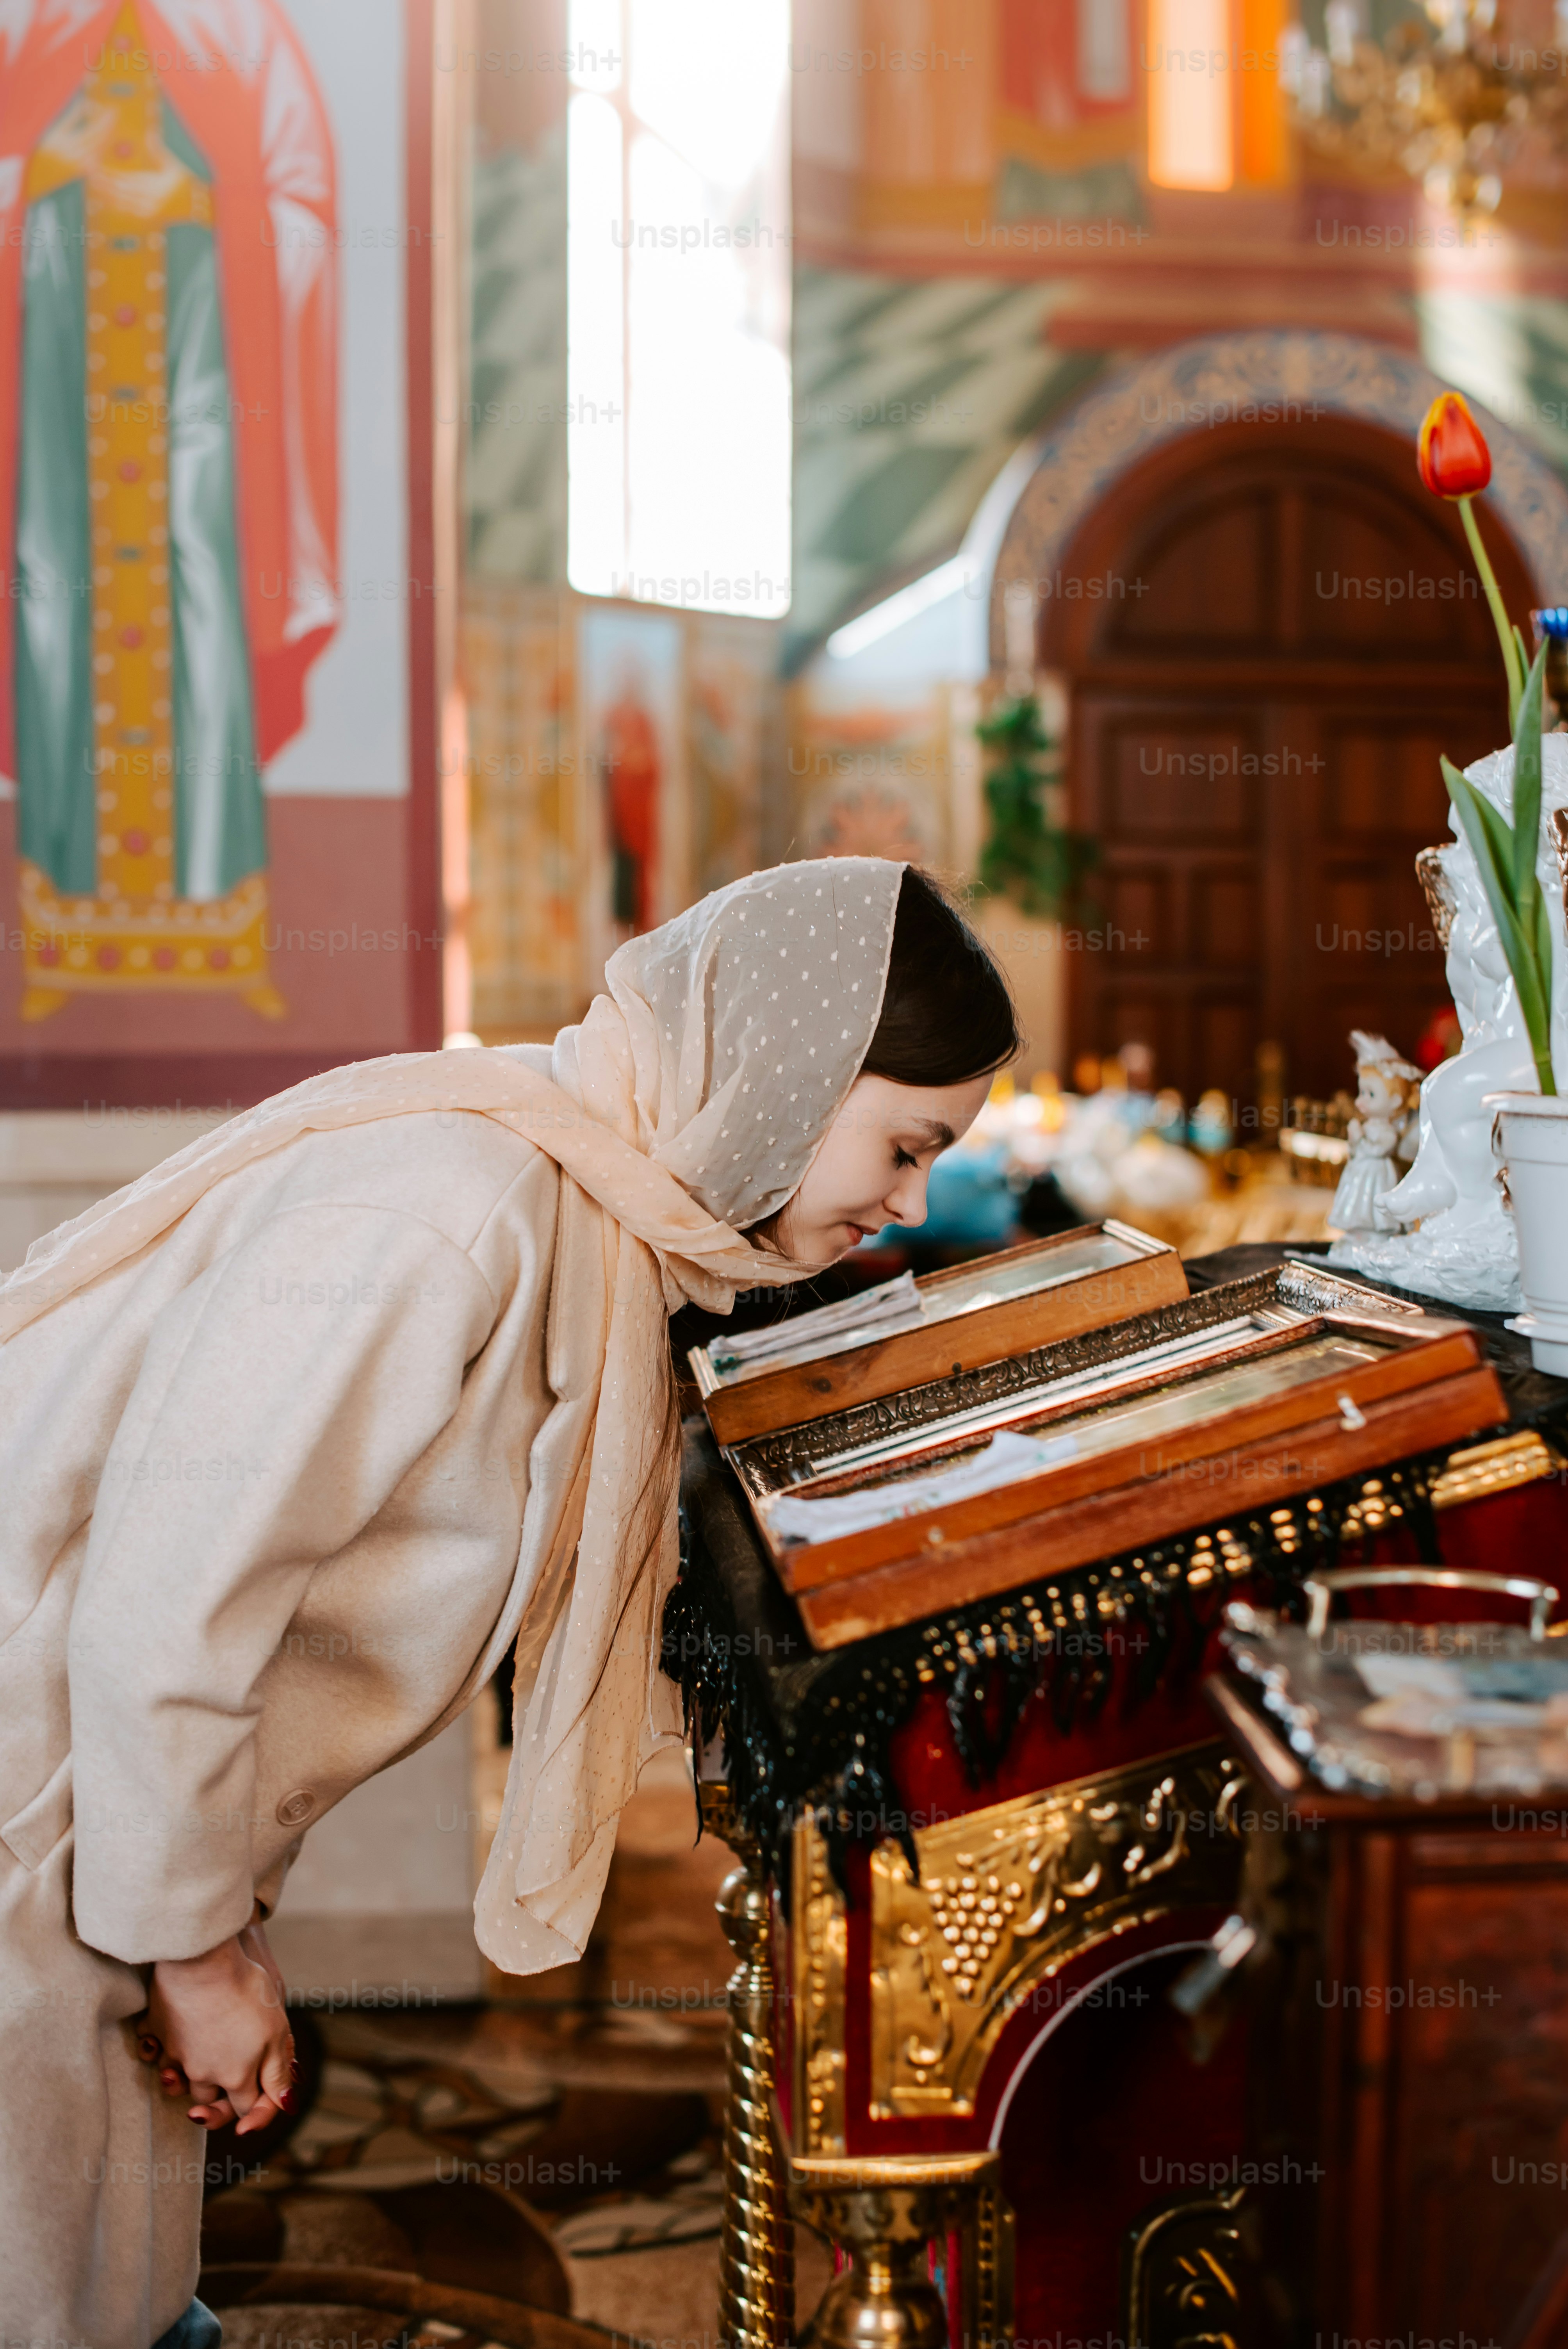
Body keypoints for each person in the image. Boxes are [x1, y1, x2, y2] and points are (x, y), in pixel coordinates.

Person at [0, 856, 1019, 2349]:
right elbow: (167, 1602)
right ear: (788, 1075)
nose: (912, 1201)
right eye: (905, 1146)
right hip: (39, 1788)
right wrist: (200, 1955)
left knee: (106, 2277)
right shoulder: (450, 1212)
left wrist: (208, 1917)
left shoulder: (579, 1201)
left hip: (100, 1806)